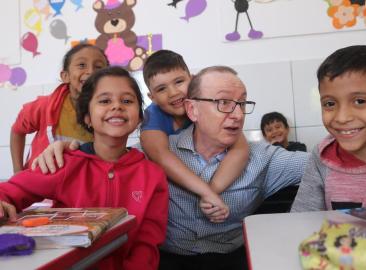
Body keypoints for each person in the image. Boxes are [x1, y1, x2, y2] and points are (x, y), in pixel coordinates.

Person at [30, 65, 309, 270]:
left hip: (232, 259)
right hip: (167, 261)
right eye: (224, 103)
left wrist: (348, 128)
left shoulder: (265, 158)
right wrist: (70, 148)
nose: (236, 113)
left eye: (241, 103)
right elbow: (105, 161)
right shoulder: (153, 155)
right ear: (192, 110)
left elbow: (326, 162)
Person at [0, 66, 168, 270]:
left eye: (127, 101)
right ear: (87, 117)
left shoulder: (152, 175)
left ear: (140, 117)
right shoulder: (64, 162)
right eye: (105, 101)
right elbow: (11, 191)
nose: (117, 106)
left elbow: (148, 242)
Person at [291, 45, 366, 212]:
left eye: (360, 101)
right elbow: (301, 222)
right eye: (330, 104)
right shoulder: (323, 157)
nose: (342, 117)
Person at [141, 50, 249, 222]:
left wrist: (211, 193)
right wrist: (205, 192)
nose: (173, 93)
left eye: (179, 82)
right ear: (152, 97)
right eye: (162, 89)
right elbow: (160, 155)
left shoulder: (207, 106)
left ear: (192, 79)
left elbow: (241, 149)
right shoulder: (153, 115)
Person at [10, 43, 109, 173]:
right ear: (65, 76)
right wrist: (17, 172)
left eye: (99, 67)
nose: (91, 71)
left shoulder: (108, 113)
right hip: (40, 183)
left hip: (78, 186)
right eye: (81, 65)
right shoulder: (44, 106)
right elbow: (17, 131)